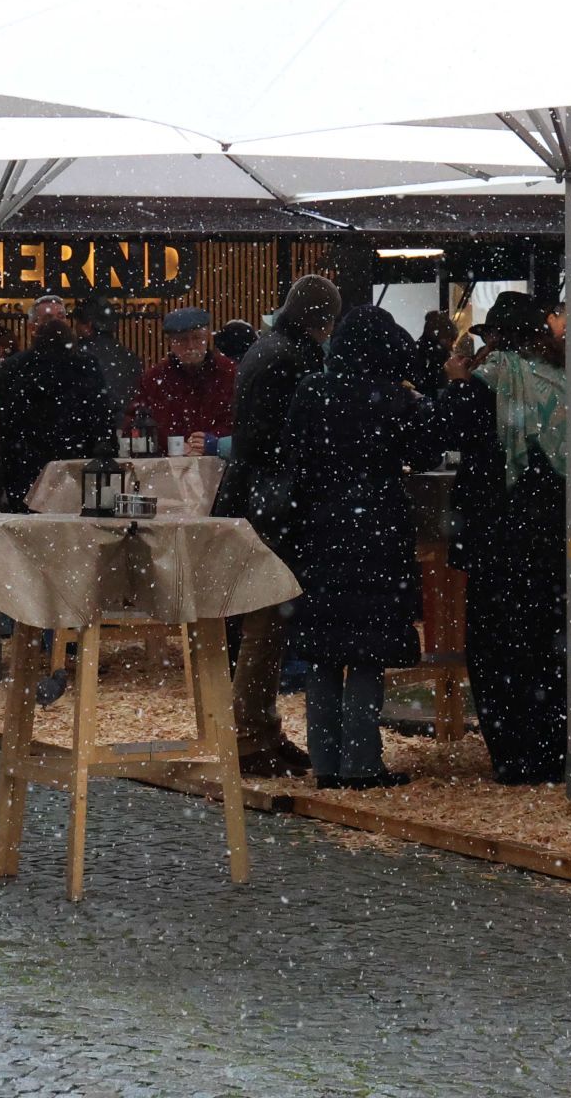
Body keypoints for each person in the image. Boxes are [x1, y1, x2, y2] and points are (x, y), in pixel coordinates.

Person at [280, 307, 443, 789]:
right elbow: (427, 452)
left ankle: (326, 764)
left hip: (319, 530)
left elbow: (291, 453)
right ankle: (363, 763)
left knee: (324, 651)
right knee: (367, 649)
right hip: (377, 530)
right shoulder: (394, 399)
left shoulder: (311, 390)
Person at [437, 292, 571, 785]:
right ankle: (553, 748)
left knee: (497, 646)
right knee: (549, 643)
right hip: (554, 534)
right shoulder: (565, 381)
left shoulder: (488, 383)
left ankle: (513, 754)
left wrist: (454, 382)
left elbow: (444, 433)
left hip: (497, 532)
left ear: (494, 337)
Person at [215, 274, 342, 778]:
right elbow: (291, 439)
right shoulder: (294, 360)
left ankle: (258, 729)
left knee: (259, 620)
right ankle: (250, 735)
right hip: (273, 500)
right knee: (267, 621)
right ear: (323, 320)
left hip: (248, 493)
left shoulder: (265, 348)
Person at [0, 297, 112, 508]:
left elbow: (101, 416)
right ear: (33, 327)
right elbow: (6, 425)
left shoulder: (86, 365)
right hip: (32, 471)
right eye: (49, 318)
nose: (57, 323)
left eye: (61, 317)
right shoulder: (15, 369)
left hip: (74, 468)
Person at [135, 307, 237, 452]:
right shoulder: (154, 378)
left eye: (196, 338)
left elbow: (239, 420)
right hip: (167, 466)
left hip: (219, 463)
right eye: (182, 340)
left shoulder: (229, 372)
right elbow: (136, 424)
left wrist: (214, 441)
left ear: (208, 337)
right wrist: (171, 445)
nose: (190, 346)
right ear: (170, 342)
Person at [72, 296, 144, 434]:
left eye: (77, 323)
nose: (75, 327)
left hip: (87, 432)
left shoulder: (78, 356)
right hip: (126, 431)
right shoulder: (130, 357)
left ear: (88, 326)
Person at [412, 310, 456, 396]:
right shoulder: (438, 354)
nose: (451, 347)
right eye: (450, 340)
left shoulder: (417, 349)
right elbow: (441, 387)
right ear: (441, 336)